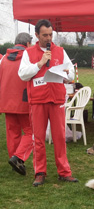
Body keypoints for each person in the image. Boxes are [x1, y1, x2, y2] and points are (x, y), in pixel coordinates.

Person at [18, 19, 78, 187]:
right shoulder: (29, 52)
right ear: (37, 35)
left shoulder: (60, 51)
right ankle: (40, 172)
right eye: (45, 35)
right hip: (37, 100)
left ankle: (64, 172)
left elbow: (71, 74)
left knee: (59, 136)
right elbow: (23, 75)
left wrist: (67, 73)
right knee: (38, 138)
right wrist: (40, 63)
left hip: (57, 99)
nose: (48, 38)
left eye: (50, 34)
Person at [0, 33, 33, 175]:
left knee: (12, 133)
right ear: (27, 44)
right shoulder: (28, 58)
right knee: (31, 132)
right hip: (24, 101)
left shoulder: (3, 59)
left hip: (6, 101)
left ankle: (15, 161)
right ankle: (18, 158)